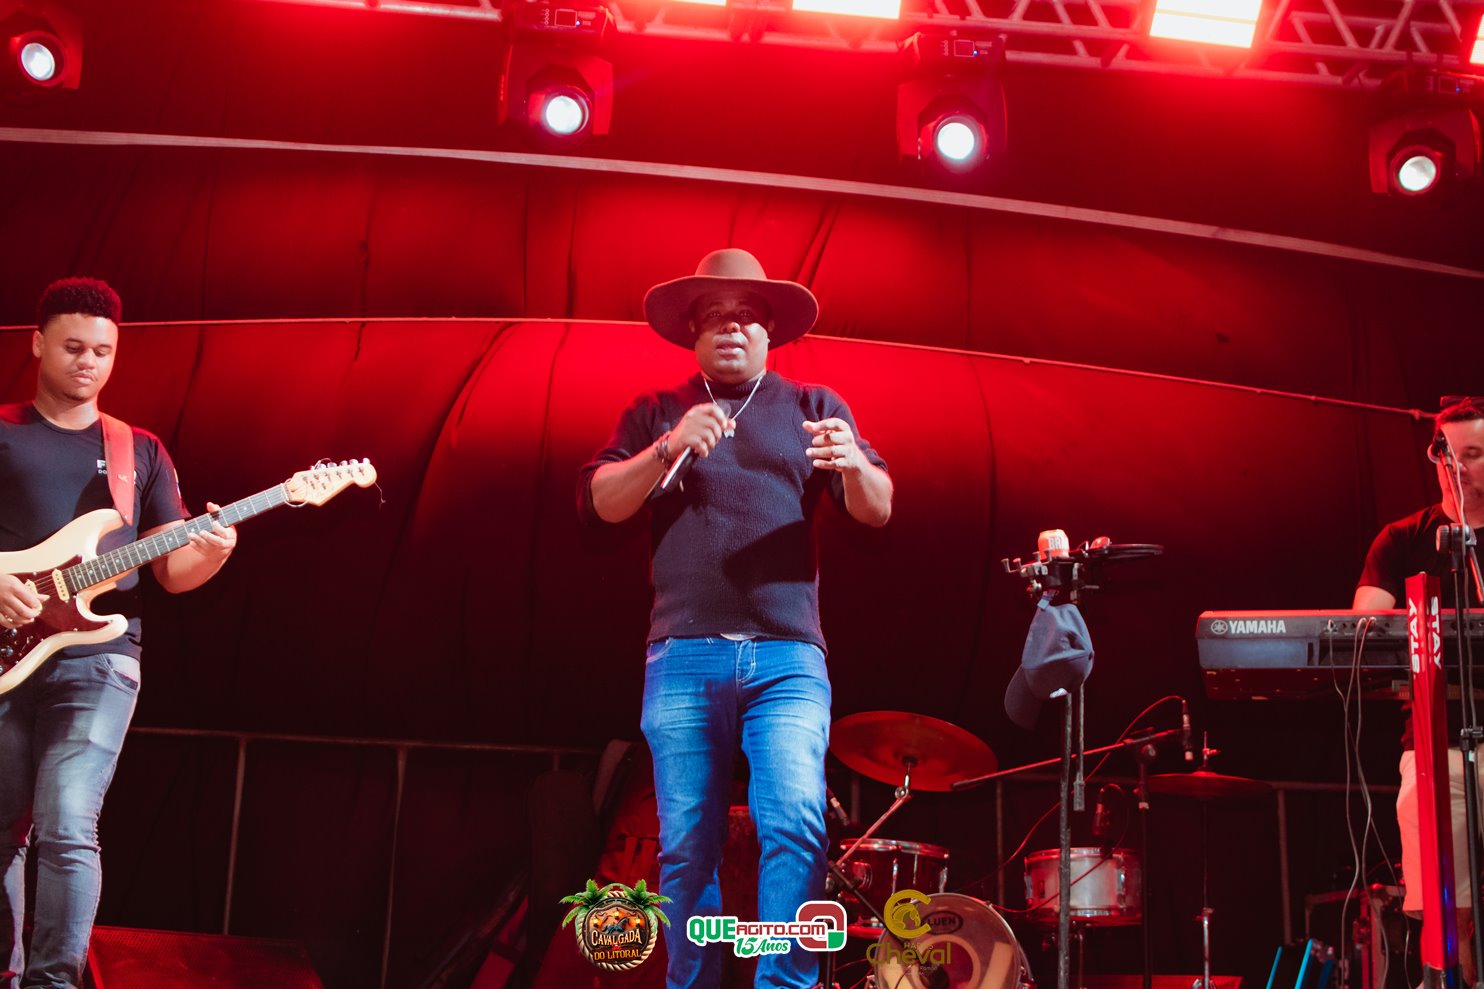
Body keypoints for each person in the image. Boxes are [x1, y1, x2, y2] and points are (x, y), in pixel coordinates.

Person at [578, 248, 892, 989]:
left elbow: (877, 509)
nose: (731, 327)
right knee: (687, 841)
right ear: (693, 333)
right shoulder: (658, 411)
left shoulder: (815, 407)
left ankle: (784, 984)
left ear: (768, 331)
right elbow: (599, 502)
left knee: (795, 821)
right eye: (714, 316)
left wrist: (853, 463)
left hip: (787, 658)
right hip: (683, 655)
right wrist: (667, 448)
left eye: (746, 315)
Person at [0, 277, 237, 989]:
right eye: (73, 347)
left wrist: (213, 552)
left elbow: (172, 572)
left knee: (68, 821)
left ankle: (53, 982)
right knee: (3, 829)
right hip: (8, 653)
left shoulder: (139, 451)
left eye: (102, 351)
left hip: (100, 658)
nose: (88, 362)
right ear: (37, 344)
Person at [1354, 396, 1484, 980]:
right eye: (1448, 456)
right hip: (1436, 741)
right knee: (1440, 895)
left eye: (1474, 454)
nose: (1459, 468)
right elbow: (1366, 623)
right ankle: (1449, 972)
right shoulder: (1402, 537)